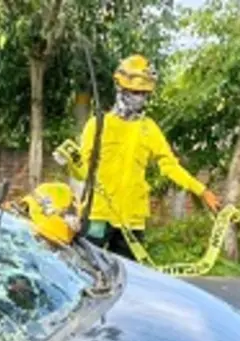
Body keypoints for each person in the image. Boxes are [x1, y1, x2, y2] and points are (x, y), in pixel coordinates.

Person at [68, 54, 220, 260]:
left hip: (132, 220)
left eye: (144, 93)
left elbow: (169, 166)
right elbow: (82, 170)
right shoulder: (98, 124)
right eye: (134, 92)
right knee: (84, 269)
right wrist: (71, 161)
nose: (139, 98)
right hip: (98, 215)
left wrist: (202, 191)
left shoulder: (149, 129)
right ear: (120, 90)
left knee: (130, 279)